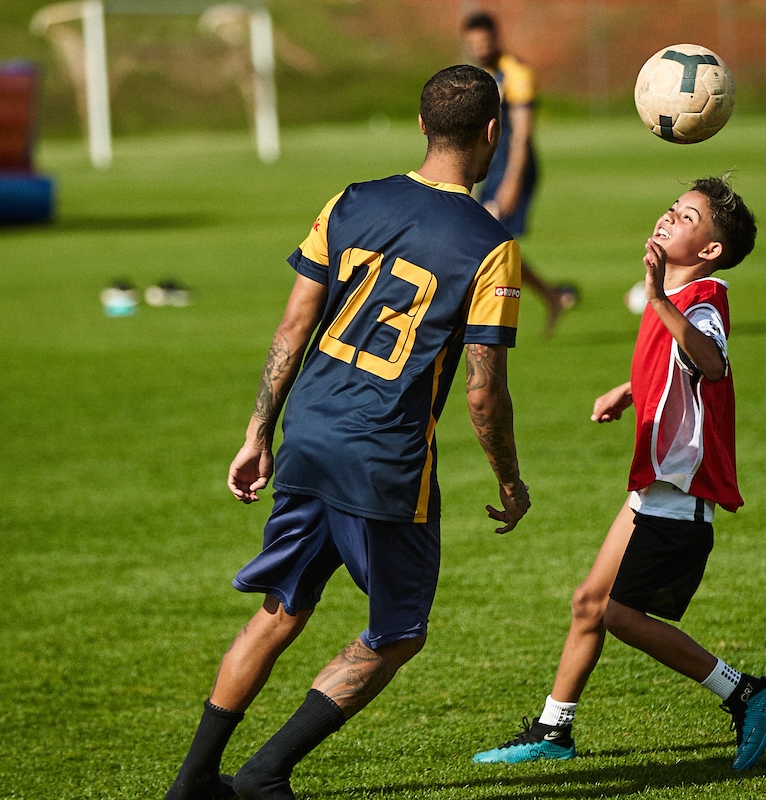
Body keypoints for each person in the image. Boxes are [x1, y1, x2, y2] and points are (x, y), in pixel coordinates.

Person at [164, 64, 531, 800]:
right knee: (398, 632)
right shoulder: (492, 246)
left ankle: (192, 783)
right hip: (386, 462)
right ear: (494, 133)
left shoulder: (349, 200)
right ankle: (265, 776)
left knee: (281, 610)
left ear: (422, 126)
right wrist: (509, 479)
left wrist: (256, 432)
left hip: (308, 436)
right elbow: (483, 392)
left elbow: (292, 328)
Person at [472, 176, 766, 771]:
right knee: (590, 601)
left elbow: (710, 364)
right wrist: (631, 389)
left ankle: (746, 692)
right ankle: (553, 729)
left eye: (687, 217)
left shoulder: (704, 296)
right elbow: (674, 370)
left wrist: (661, 301)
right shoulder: (674, 294)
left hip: (681, 493)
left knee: (620, 614)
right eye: (671, 208)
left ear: (711, 250)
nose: (668, 218)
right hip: (654, 489)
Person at [462, 11, 577, 337]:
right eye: (473, 43)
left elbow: (522, 135)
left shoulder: (517, 74)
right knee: (493, 240)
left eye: (484, 40)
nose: (480, 47)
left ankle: (485, 319)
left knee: (488, 241)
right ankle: (552, 296)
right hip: (490, 169)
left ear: (496, 38)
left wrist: (512, 180)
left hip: (515, 167)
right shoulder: (481, 74)